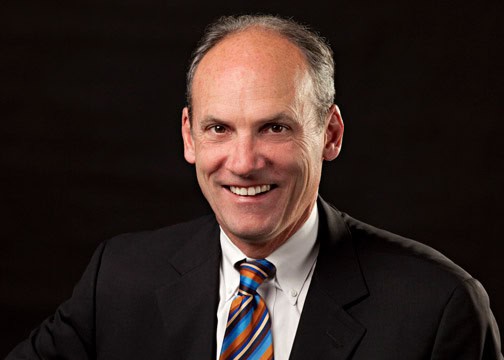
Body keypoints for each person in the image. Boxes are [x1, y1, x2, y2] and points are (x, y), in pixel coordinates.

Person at [7, 14, 502, 360]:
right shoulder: (118, 280)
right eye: (219, 128)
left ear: (330, 134)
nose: (243, 163)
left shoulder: (437, 308)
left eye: (275, 128)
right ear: (188, 136)